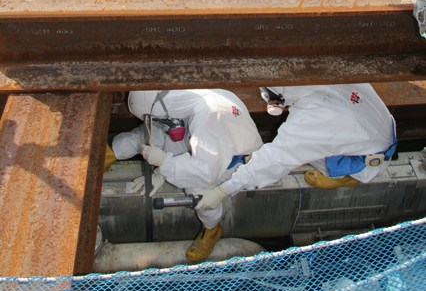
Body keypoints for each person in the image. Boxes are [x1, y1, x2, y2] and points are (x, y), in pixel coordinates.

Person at [111, 89, 263, 262]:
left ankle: (211, 229)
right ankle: (109, 153)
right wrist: (162, 172)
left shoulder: (209, 119)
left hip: (231, 166)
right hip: (217, 148)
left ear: (159, 108)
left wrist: (163, 163)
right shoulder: (190, 99)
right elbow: (160, 132)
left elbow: (204, 173)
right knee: (159, 133)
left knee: (197, 190)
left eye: (156, 116)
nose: (158, 120)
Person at [195, 84, 397, 213]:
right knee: (301, 145)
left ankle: (346, 177)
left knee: (297, 152)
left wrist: (223, 191)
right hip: (378, 127)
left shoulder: (311, 122)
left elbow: (275, 161)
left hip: (365, 160)